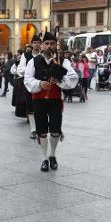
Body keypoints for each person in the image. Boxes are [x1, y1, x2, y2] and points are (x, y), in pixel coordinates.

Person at [24, 33, 78, 172]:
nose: (49, 46)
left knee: (55, 131)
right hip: (39, 100)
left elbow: (73, 78)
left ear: (56, 45)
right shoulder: (33, 61)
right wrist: (39, 83)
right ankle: (44, 158)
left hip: (55, 100)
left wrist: (59, 81)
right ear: (42, 45)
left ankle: (52, 155)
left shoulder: (62, 61)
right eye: (46, 43)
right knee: (41, 131)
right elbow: (27, 79)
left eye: (51, 43)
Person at [15, 36, 42, 138]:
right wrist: (31, 68)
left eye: (38, 42)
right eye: (34, 42)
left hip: (41, 83)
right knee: (30, 107)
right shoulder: (25, 55)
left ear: (41, 44)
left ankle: (40, 127)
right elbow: (20, 70)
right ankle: (33, 129)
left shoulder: (43, 55)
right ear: (32, 44)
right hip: (29, 83)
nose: (36, 44)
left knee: (40, 106)